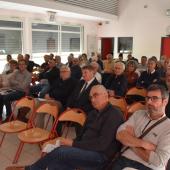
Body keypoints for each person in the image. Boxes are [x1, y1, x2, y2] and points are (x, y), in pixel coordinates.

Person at [6, 85, 124, 170]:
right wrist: (70, 143)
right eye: (91, 96)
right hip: (86, 149)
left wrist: (71, 143)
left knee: (61, 151)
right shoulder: (93, 113)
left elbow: (102, 145)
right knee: (56, 161)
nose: (92, 99)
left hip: (101, 156)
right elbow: (81, 136)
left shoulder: (114, 114)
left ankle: (31, 169)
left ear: (106, 96)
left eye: (96, 95)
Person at [112, 84, 170, 170]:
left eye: (154, 98)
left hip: (148, 167)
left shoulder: (168, 127)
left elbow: (159, 160)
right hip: (124, 160)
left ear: (165, 102)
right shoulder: (138, 114)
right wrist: (144, 144)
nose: (149, 102)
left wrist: (131, 141)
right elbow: (119, 135)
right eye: (147, 98)